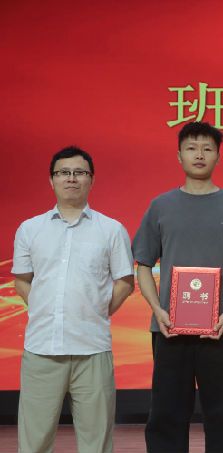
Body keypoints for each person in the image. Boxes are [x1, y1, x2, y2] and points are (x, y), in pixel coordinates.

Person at [133, 121, 223, 453]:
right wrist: (157, 309)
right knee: (166, 413)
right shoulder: (160, 206)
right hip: (169, 328)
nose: (199, 154)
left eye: (207, 148)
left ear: (218, 156)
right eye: (191, 148)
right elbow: (143, 264)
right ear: (179, 156)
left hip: (221, 328)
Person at [12, 146, 134, 453]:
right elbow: (22, 280)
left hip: (92, 349)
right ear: (51, 180)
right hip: (41, 349)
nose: (71, 178)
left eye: (79, 172)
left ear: (91, 180)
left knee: (96, 442)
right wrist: (43, 307)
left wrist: (98, 310)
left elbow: (125, 282)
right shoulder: (30, 229)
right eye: (63, 172)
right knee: (34, 441)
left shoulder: (111, 229)